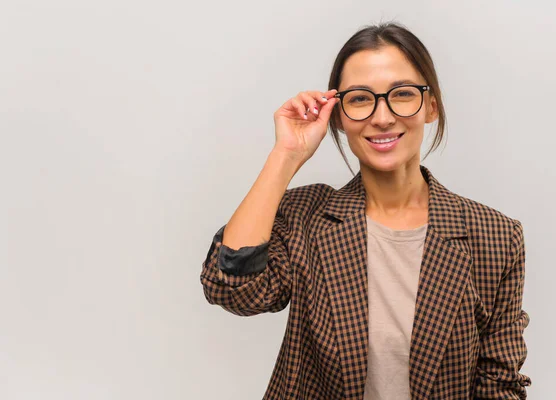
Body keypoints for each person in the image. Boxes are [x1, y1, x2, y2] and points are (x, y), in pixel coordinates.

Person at [201, 21, 531, 400]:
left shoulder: (495, 236)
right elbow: (231, 290)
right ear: (338, 117)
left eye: (402, 94)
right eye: (360, 98)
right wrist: (286, 156)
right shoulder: (307, 216)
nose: (382, 116)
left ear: (431, 106)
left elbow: (499, 384)